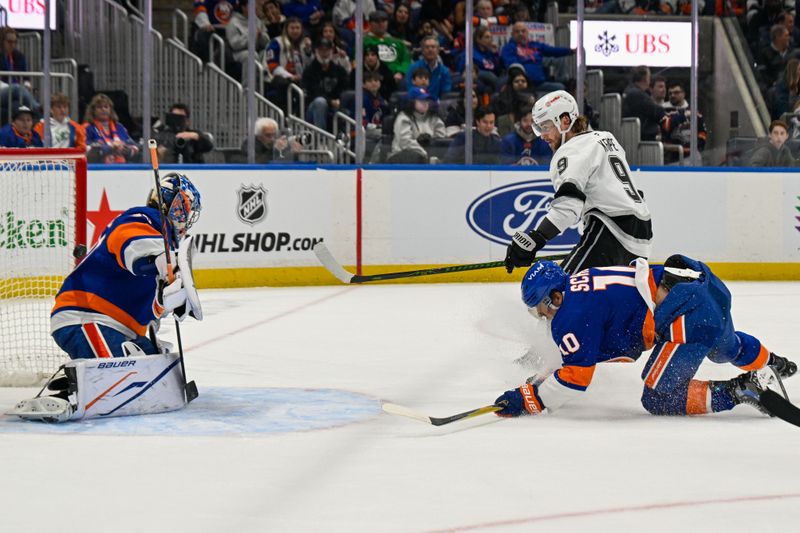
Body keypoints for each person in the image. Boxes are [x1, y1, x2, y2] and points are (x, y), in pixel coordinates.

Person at [493, 257, 797, 419]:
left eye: (540, 309)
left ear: (555, 297)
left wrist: (531, 398)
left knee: (658, 397)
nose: (542, 316)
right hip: (703, 289)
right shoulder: (579, 284)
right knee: (726, 347)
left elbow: (576, 377)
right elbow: (576, 353)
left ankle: (740, 390)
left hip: (686, 313)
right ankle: (773, 363)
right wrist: (542, 380)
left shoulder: (569, 316)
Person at [14, 174, 203, 422]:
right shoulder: (145, 218)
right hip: (86, 316)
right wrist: (161, 262)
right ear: (173, 204)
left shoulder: (164, 244)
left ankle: (78, 378)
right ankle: (72, 391)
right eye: (185, 208)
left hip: (119, 328)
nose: (186, 218)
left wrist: (166, 300)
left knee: (156, 371)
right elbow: (134, 249)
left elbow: (149, 309)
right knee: (124, 375)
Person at [504, 90, 653, 275]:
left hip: (610, 229)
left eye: (546, 127)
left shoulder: (569, 151)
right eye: (539, 128)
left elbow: (568, 206)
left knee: (558, 290)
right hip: (643, 234)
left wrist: (536, 238)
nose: (542, 135)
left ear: (565, 121)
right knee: (615, 293)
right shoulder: (607, 138)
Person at [500, 22, 572, 93]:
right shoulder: (508, 48)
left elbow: (552, 50)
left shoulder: (534, 45)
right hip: (523, 83)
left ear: (527, 33)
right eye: (517, 32)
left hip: (540, 82)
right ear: (512, 34)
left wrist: (570, 51)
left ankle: (561, 80)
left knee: (561, 88)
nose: (520, 34)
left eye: (523, 31)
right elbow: (512, 64)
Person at [387, 86, 447, 163]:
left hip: (426, 158)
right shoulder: (403, 118)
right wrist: (425, 154)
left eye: (427, 100)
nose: (425, 103)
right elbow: (405, 142)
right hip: (402, 158)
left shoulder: (433, 118)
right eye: (421, 100)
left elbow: (442, 138)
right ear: (412, 102)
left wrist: (431, 143)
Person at [302, 38, 349, 131]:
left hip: (335, 106)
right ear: (316, 51)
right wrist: (330, 101)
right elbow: (313, 93)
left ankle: (346, 136)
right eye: (321, 50)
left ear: (331, 51)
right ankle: (320, 136)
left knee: (347, 103)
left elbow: (345, 88)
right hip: (313, 108)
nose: (324, 53)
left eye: (327, 50)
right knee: (320, 102)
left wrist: (339, 100)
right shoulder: (309, 71)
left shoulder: (339, 70)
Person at [83, 93, 140, 163]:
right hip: (97, 166)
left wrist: (127, 150)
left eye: (106, 107)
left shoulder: (119, 127)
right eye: (99, 107)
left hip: (121, 166)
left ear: (111, 110)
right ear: (93, 111)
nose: (103, 109)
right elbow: (85, 150)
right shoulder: (87, 128)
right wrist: (109, 148)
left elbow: (134, 146)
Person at [363, 10, 411, 86]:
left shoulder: (398, 42)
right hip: (374, 76)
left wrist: (400, 72)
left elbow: (406, 60)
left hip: (397, 76)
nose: (381, 24)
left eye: (383, 21)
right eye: (377, 21)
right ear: (370, 24)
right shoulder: (364, 42)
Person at [622, 65, 665, 141]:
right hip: (641, 138)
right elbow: (657, 112)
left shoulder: (629, 90)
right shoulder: (637, 94)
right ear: (645, 78)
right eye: (649, 76)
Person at [404, 35, 452, 100]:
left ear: (438, 50)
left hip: (437, 105)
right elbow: (410, 89)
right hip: (418, 103)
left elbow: (445, 93)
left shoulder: (444, 71)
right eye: (427, 47)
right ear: (422, 50)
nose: (430, 49)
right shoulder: (413, 68)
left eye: (433, 47)